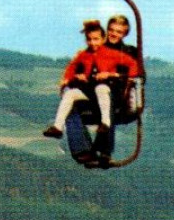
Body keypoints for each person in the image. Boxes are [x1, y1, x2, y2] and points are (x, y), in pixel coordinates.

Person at [43, 20, 135, 165]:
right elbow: (71, 68)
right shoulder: (84, 54)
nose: (93, 43)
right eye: (90, 39)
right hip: (89, 91)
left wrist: (112, 75)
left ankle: (105, 123)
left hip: (106, 89)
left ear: (103, 38)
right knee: (70, 94)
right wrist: (72, 78)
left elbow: (132, 66)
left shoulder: (112, 53)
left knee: (102, 89)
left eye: (96, 39)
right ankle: (58, 127)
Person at [88, 14, 145, 164]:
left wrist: (112, 75)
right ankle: (82, 149)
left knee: (110, 101)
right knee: (72, 106)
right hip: (96, 91)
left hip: (119, 94)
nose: (114, 34)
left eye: (119, 32)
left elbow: (138, 75)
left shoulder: (130, 52)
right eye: (112, 30)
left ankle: (102, 150)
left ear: (125, 34)